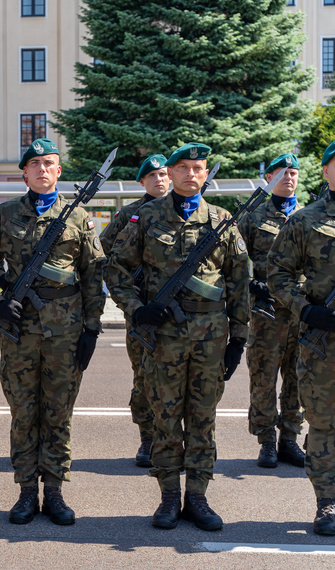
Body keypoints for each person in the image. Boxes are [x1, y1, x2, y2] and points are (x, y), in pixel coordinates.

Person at [105, 142, 249, 531]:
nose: (189, 174)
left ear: (205, 174)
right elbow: (116, 271)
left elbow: (239, 282)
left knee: (203, 419)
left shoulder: (222, 220)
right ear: (171, 173)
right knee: (166, 418)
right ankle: (169, 497)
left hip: (211, 339)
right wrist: (137, 310)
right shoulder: (146, 217)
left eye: (197, 167)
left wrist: (239, 337)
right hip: (163, 338)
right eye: (181, 167)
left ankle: (198, 497)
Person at [0, 138, 105, 526]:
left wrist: (92, 329)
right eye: (35, 164)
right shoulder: (5, 214)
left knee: (59, 413)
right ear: (24, 173)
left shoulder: (79, 218)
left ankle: (57, 491)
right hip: (20, 328)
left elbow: (94, 277)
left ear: (58, 171)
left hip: (66, 330)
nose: (43, 170)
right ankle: (27, 490)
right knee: (24, 412)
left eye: (50, 163)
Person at [268, 141, 335, 536]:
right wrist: (306, 310)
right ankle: (327, 502)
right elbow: (278, 276)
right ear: (325, 171)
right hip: (323, 343)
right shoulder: (305, 221)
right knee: (325, 425)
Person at [100, 154, 169, 468]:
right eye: (152, 175)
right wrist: (131, 293)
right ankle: (147, 439)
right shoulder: (129, 215)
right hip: (141, 310)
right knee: (143, 376)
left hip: (178, 313)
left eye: (164, 174)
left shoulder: (185, 212)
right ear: (142, 182)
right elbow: (104, 253)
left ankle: (173, 440)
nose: (159, 179)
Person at [237, 153, 304, 469]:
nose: (288, 177)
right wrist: (252, 284)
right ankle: (265, 441)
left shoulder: (310, 217)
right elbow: (234, 263)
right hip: (266, 315)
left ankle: (289, 439)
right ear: (269, 179)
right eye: (281, 173)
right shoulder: (252, 218)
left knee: (298, 379)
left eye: (293, 172)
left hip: (304, 315)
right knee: (263, 378)